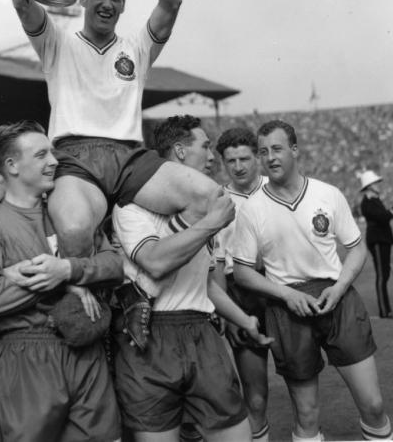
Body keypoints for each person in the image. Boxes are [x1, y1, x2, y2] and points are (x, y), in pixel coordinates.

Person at [8, 0, 230, 343]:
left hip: (131, 158)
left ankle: (140, 284)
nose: (107, 3)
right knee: (73, 230)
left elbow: (172, 1)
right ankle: (107, 298)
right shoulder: (57, 40)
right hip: (76, 157)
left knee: (210, 198)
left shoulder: (137, 46)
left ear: (124, 5)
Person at [112, 115, 272, 442]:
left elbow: (205, 284)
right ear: (181, 152)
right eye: (206, 146)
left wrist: (244, 320)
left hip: (201, 331)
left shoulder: (203, 209)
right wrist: (210, 223)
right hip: (149, 334)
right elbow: (156, 262)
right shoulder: (131, 206)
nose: (213, 157)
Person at [233, 120, 391, 442]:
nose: (270, 158)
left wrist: (341, 286)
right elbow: (242, 271)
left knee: (373, 405)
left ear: (294, 149)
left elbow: (356, 248)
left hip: (338, 299)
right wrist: (285, 295)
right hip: (288, 308)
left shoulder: (327, 194)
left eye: (277, 149)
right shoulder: (251, 208)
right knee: (306, 415)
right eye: (263, 152)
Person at [0, 120, 123, 442]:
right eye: (41, 155)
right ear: (11, 165)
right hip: (24, 353)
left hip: (85, 350)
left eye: (51, 152)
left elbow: (113, 266)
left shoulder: (67, 210)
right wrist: (59, 280)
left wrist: (66, 269)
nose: (54, 161)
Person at [213, 127, 269, 442]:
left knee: (302, 382)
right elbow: (218, 262)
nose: (238, 166)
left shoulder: (275, 190)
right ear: (223, 162)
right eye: (231, 160)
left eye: (244, 158)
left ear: (256, 157)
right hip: (240, 292)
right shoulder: (218, 201)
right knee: (256, 393)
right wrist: (229, 309)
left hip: (278, 285)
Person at [359, 170, 393, 318]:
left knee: (384, 274)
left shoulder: (375, 200)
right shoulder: (367, 202)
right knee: (381, 275)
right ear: (369, 186)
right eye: (375, 183)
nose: (378, 185)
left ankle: (386, 309)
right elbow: (383, 217)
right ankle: (384, 311)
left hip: (383, 240)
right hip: (377, 240)